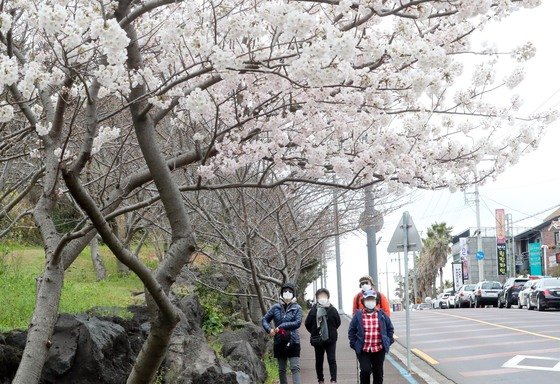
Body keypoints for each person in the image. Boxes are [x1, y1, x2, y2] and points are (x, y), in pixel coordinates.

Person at [348, 290, 394, 384]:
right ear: (363, 302)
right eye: (368, 299)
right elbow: (351, 331)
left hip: (379, 349)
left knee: (378, 373)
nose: (370, 302)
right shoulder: (358, 316)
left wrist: (388, 341)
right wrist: (354, 344)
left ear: (376, 301)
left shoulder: (382, 315)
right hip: (364, 349)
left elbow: (390, 329)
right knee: (365, 371)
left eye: (372, 299)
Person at [262, 282, 303, 384]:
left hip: (293, 341)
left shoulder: (297, 308)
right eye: (285, 291)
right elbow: (264, 320)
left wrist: (281, 326)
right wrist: (269, 329)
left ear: (293, 293)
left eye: (290, 291)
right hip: (279, 341)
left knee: (295, 368)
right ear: (281, 293)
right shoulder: (275, 307)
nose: (287, 293)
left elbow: (297, 323)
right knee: (281, 369)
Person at [304, 288, 341, 384]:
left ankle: (333, 379)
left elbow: (338, 322)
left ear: (328, 297)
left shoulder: (332, 309)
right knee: (319, 360)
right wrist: (314, 332)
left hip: (331, 339)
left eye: (324, 296)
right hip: (318, 339)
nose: (322, 298)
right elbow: (308, 324)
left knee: (332, 359)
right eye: (320, 296)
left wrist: (330, 331)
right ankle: (320, 379)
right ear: (317, 298)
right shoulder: (313, 310)